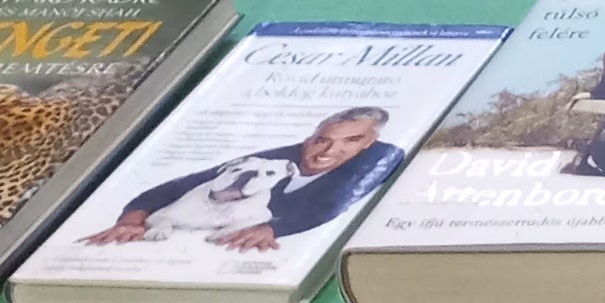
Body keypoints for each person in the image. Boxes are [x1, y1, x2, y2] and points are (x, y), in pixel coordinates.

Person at [81, 107, 401, 258]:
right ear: (309, 139)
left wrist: (273, 229)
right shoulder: (273, 159)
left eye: (351, 141)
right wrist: (132, 220)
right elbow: (184, 184)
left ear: (368, 144)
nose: (328, 151)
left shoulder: (380, 156)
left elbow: (333, 203)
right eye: (322, 140)